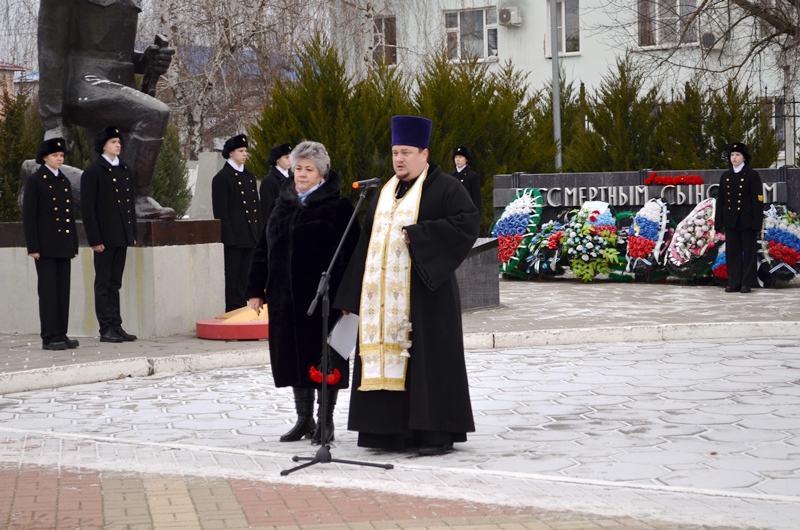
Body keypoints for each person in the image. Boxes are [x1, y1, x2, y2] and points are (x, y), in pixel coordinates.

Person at [334, 116, 480, 456]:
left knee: (427, 364)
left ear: (424, 153)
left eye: (406, 152)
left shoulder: (445, 187)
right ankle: (386, 433)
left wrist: (419, 235)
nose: (399, 159)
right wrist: (350, 295)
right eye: (395, 152)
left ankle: (435, 434)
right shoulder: (384, 192)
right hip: (381, 301)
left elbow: (466, 224)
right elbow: (365, 244)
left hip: (426, 297)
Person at [246, 141, 359, 445]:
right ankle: (304, 419)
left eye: (309, 169)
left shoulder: (339, 207)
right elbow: (263, 248)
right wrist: (256, 289)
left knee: (323, 359)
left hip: (324, 300)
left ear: (322, 174)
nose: (302, 174)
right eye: (298, 168)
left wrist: (347, 297)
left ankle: (326, 421)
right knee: (294, 359)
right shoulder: (281, 205)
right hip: (285, 297)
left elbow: (352, 255)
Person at [38, 0, 176, 219]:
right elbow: (51, 52)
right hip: (84, 84)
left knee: (106, 178)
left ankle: (37, 175)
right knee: (154, 113)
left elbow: (116, 53)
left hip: (119, 84)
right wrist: (54, 121)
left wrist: (146, 60)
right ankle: (133, 198)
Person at [81, 126, 138, 343]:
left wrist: (131, 232)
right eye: (114, 141)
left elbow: (129, 206)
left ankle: (117, 325)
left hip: (121, 236)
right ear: (103, 145)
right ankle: (106, 327)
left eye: (119, 141)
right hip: (104, 238)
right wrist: (95, 239)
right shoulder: (93, 172)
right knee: (103, 284)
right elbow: (88, 210)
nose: (118, 145)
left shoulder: (124, 169)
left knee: (116, 283)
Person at [22, 138, 80, 351]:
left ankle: (61, 333)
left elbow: (69, 216)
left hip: (63, 246)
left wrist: (73, 244)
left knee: (63, 291)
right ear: (45, 157)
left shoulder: (63, 180)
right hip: (45, 247)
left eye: (62, 155)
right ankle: (49, 336)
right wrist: (33, 247)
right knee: (48, 292)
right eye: (55, 155)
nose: (59, 158)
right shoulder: (37, 180)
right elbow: (30, 216)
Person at [212, 134, 260, 312]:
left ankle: (242, 311)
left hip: (249, 236)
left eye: (246, 151)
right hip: (234, 239)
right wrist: (229, 238)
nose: (244, 154)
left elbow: (256, 207)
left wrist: (258, 234)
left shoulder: (249, 176)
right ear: (230, 153)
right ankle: (232, 311)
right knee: (232, 279)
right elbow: (221, 212)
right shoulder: (222, 178)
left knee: (244, 279)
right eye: (241, 151)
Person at [715, 142, 764, 294]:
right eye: (732, 155)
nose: (734, 158)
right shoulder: (726, 176)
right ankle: (734, 282)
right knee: (732, 252)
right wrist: (719, 221)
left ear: (744, 158)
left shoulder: (751, 175)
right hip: (731, 220)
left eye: (737, 155)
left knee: (749, 252)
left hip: (747, 220)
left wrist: (757, 222)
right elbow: (721, 200)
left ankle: (747, 283)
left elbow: (758, 200)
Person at [259, 143, 293, 233]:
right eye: (286, 157)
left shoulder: (294, 178)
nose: (290, 160)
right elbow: (266, 210)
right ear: (277, 160)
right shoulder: (269, 181)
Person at [451, 145, 481, 215]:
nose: (458, 160)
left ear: (466, 159)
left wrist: (476, 216)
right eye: (456, 157)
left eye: (460, 157)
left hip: (467, 213)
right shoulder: (451, 175)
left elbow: (476, 199)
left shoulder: (472, 176)